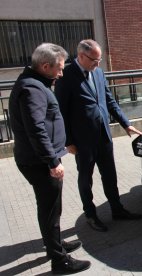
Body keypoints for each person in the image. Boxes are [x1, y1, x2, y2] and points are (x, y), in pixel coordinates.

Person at [9, 43, 91, 274]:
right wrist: (52, 162)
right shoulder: (33, 89)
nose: (62, 73)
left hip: (39, 159)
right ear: (45, 66)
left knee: (51, 208)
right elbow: (36, 129)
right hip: (40, 162)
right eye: (59, 69)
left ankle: (55, 244)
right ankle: (59, 260)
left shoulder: (35, 82)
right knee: (50, 210)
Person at [55, 39, 142, 232]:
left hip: (104, 135)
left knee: (110, 175)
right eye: (94, 60)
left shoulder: (99, 73)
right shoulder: (65, 76)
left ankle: (117, 209)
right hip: (82, 140)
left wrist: (126, 124)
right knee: (86, 179)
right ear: (80, 56)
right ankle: (91, 215)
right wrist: (68, 142)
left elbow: (108, 100)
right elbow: (61, 111)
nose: (98, 64)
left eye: (100, 60)